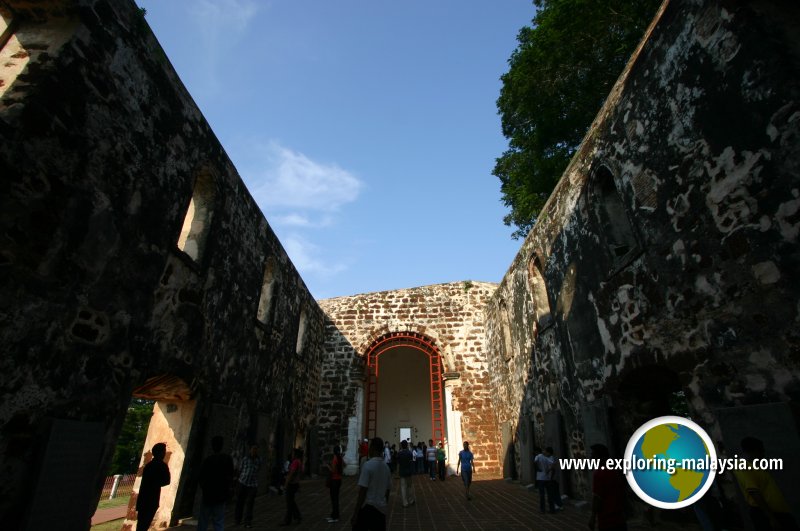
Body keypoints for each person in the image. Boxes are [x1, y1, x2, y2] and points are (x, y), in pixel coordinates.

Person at [733, 436, 798, 531]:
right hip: (767, 514)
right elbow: (754, 492)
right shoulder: (742, 466)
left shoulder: (755, 466)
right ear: (753, 451)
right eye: (761, 451)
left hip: (777, 513)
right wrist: (771, 518)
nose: (763, 454)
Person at [351, 437, 393, 531]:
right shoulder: (386, 468)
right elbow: (387, 491)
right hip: (381, 509)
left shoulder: (367, 465)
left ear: (373, 448)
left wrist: (356, 512)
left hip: (368, 507)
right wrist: (384, 506)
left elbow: (363, 491)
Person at [197, 436, 234, 531]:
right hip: (221, 496)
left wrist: (205, 488)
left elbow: (201, 477)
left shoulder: (208, 460)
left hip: (208, 495)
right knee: (218, 522)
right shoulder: (227, 459)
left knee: (203, 521)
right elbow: (231, 476)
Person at [588, 444, 627, 531]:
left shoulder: (599, 474)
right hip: (620, 517)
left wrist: (593, 517)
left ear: (598, 457)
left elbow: (597, 498)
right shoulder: (616, 470)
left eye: (593, 455)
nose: (591, 458)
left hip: (607, 519)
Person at [136, 442, 170, 531]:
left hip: (143, 498)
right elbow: (167, 481)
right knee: (145, 523)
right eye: (164, 452)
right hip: (152, 498)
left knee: (141, 524)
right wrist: (156, 483)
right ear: (160, 453)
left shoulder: (148, 465)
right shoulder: (162, 465)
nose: (164, 453)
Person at [235, 445, 262, 528]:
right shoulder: (245, 459)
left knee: (250, 503)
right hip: (243, 482)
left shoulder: (259, 460)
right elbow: (240, 469)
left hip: (253, 484)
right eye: (253, 449)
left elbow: (259, 469)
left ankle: (248, 521)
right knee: (240, 502)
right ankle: (238, 519)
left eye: (256, 450)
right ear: (250, 450)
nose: (254, 451)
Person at [280, 447, 304, 526]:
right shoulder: (299, 461)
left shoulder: (295, 462)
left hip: (291, 484)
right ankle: (297, 516)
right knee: (291, 502)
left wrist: (285, 485)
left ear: (295, 454)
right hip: (295, 484)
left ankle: (287, 520)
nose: (292, 455)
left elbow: (291, 474)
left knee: (289, 503)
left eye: (293, 453)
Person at [326, 445, 344, 523]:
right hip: (339, 479)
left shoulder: (335, 459)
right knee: (336, 498)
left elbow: (332, 470)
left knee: (334, 499)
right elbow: (345, 465)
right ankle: (334, 515)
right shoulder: (340, 458)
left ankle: (335, 516)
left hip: (334, 480)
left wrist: (328, 466)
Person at [397, 440, 416, 508]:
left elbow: (398, 463)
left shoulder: (399, 453)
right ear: (407, 445)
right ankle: (411, 500)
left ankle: (405, 502)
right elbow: (411, 463)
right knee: (409, 486)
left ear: (402, 445)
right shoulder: (409, 453)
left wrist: (397, 472)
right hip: (408, 472)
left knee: (403, 487)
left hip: (402, 471)